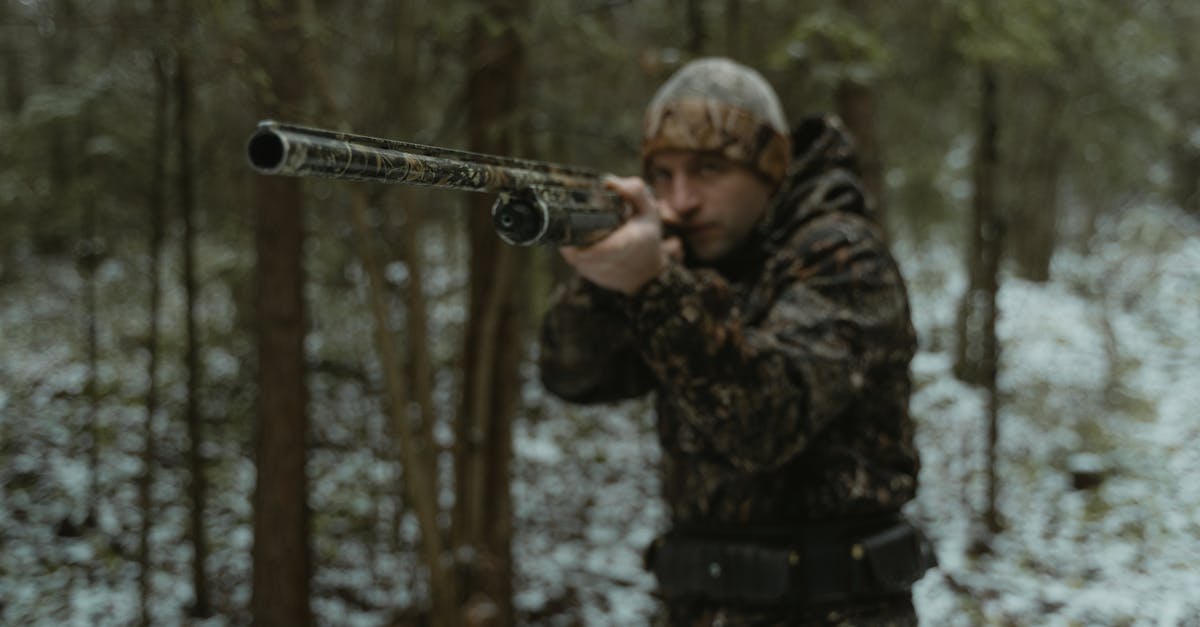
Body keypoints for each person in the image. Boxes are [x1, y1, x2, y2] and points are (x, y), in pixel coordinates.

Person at [537, 58, 933, 626]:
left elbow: (765, 421)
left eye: (707, 170)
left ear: (769, 170)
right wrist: (607, 283)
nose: (681, 199)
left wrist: (654, 289)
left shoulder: (843, 257)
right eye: (664, 175)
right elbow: (573, 375)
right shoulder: (689, 261)